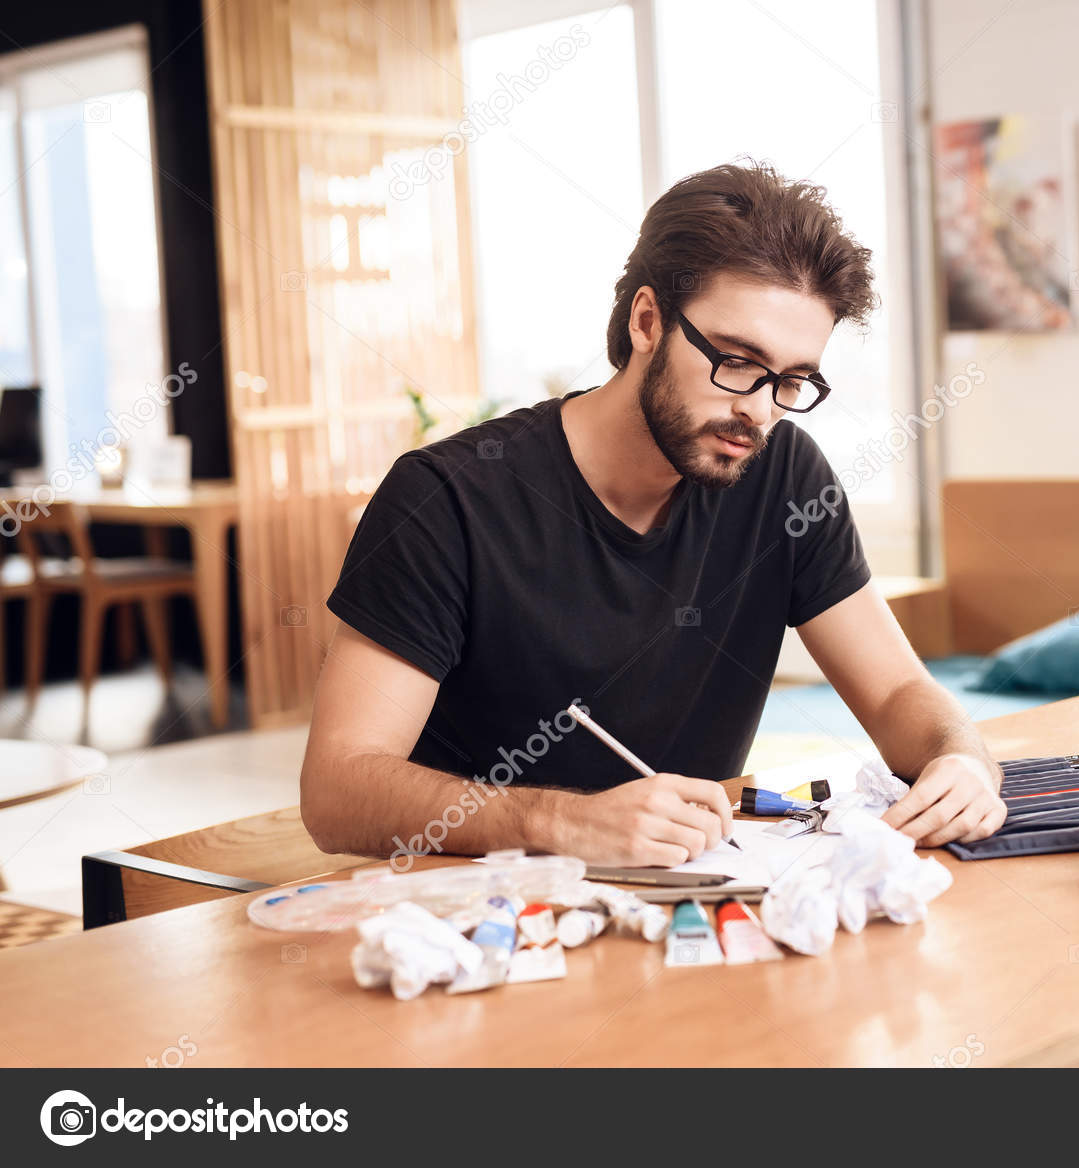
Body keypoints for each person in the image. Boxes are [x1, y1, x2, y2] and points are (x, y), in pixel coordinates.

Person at [300, 162, 1005, 868]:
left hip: (687, 903)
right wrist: (556, 821)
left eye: (791, 381)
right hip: (475, 917)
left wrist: (963, 759)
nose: (758, 410)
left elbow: (896, 692)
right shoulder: (446, 499)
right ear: (647, 322)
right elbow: (337, 790)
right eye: (736, 362)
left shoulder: (784, 475)